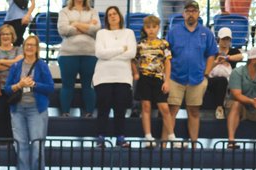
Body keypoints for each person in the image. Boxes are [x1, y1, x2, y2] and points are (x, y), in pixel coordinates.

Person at [166, 0, 217, 147]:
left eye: (193, 11)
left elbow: (211, 54)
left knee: (194, 111)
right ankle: (164, 145)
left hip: (197, 79)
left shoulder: (206, 33)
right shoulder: (173, 31)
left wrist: (206, 75)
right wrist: (167, 76)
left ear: (198, 14)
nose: (190, 14)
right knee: (172, 110)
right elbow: (166, 55)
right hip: (175, 77)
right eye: (188, 11)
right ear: (183, 14)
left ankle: (194, 145)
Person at [7, 35, 55, 170]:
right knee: (20, 143)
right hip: (18, 109)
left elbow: (50, 88)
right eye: (27, 44)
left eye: (32, 45)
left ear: (37, 48)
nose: (29, 47)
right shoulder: (16, 66)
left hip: (36, 109)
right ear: (23, 47)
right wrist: (19, 85)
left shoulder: (42, 65)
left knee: (37, 143)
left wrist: (34, 85)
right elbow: (7, 89)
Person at [93, 6, 136, 148]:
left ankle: (120, 138)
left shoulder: (129, 33)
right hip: (103, 77)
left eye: (115, 13)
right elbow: (100, 53)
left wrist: (110, 54)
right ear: (106, 18)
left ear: (119, 16)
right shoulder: (101, 33)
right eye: (109, 14)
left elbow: (131, 54)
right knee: (103, 108)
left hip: (123, 77)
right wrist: (121, 49)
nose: (112, 16)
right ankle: (100, 138)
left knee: (120, 109)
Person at [133, 15, 174, 146]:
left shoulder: (164, 44)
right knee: (146, 107)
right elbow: (133, 60)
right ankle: (148, 137)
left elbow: (167, 63)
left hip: (158, 79)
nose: (151, 30)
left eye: (154, 27)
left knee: (164, 108)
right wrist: (135, 73)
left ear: (158, 28)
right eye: (148, 27)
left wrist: (167, 81)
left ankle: (172, 136)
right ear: (144, 28)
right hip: (144, 78)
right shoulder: (140, 45)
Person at [57, 0, 99, 117]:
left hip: (90, 54)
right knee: (67, 86)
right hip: (67, 54)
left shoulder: (93, 11)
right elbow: (63, 30)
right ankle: (65, 113)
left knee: (88, 85)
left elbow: (96, 30)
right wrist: (88, 25)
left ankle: (89, 113)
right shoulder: (64, 11)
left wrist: (75, 24)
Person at [0, 24, 23, 140]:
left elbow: (20, 65)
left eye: (8, 34)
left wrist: (1, 61)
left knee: (14, 118)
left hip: (14, 88)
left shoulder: (18, 49)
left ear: (12, 36)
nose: (5, 36)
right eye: (3, 34)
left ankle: (12, 144)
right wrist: (12, 65)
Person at [204, 28, 241, 120]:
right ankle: (220, 107)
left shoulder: (234, 51)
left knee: (225, 81)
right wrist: (217, 62)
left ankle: (222, 107)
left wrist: (227, 58)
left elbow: (240, 56)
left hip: (229, 81)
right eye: (223, 39)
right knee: (221, 80)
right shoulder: (212, 52)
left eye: (227, 39)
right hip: (213, 80)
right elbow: (206, 69)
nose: (225, 41)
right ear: (218, 39)